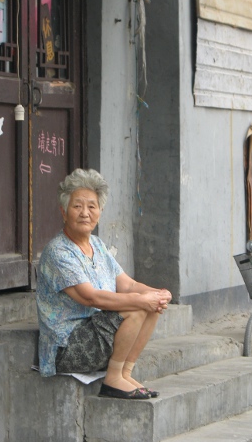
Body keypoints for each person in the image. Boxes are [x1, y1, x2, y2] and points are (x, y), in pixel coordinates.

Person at [36, 168, 172, 400]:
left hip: (96, 331)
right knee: (137, 308)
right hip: (68, 345)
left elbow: (127, 285)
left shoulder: (97, 245)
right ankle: (114, 378)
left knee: (151, 306)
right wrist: (142, 300)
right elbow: (90, 298)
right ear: (63, 212)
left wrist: (157, 294)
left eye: (92, 206)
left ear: (100, 212)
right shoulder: (58, 251)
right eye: (77, 206)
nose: (85, 213)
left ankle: (124, 373)